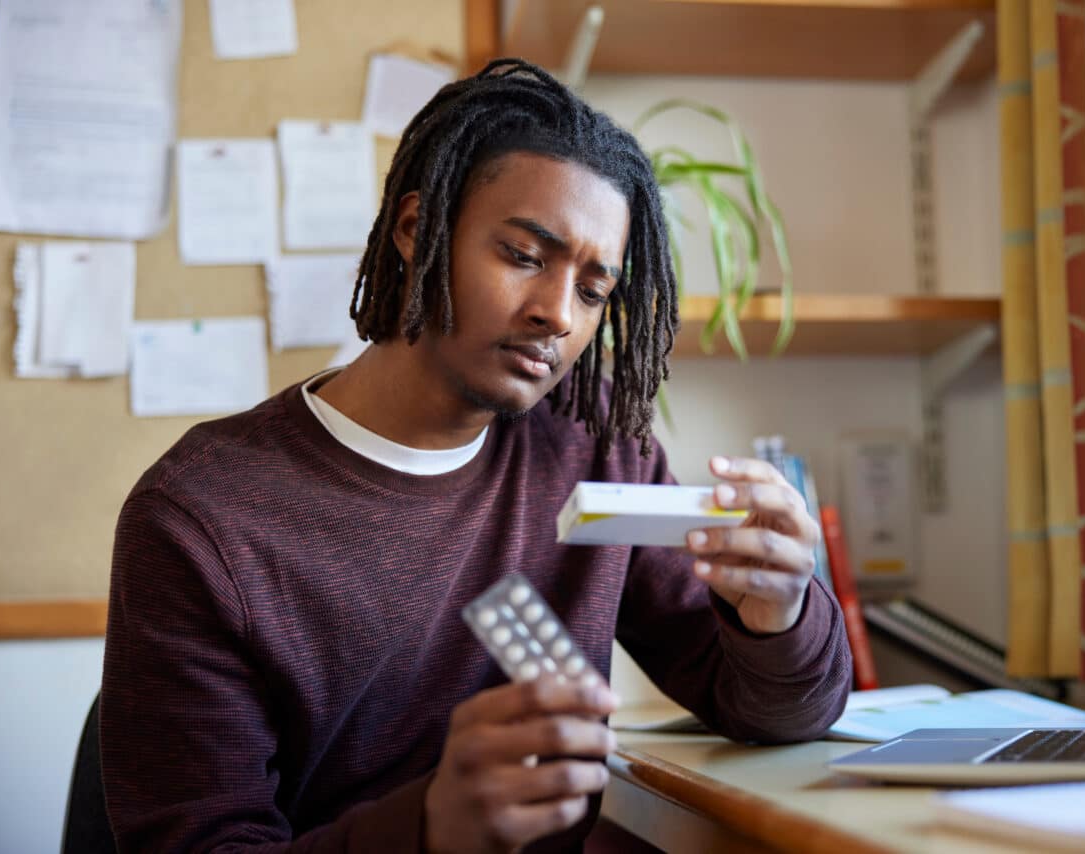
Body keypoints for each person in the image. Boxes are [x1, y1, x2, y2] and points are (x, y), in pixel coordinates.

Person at [100, 59, 851, 853]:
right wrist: (425, 831)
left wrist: (780, 616)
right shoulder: (205, 515)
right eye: (525, 255)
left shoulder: (595, 447)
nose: (557, 314)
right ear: (418, 230)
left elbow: (776, 712)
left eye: (594, 291)